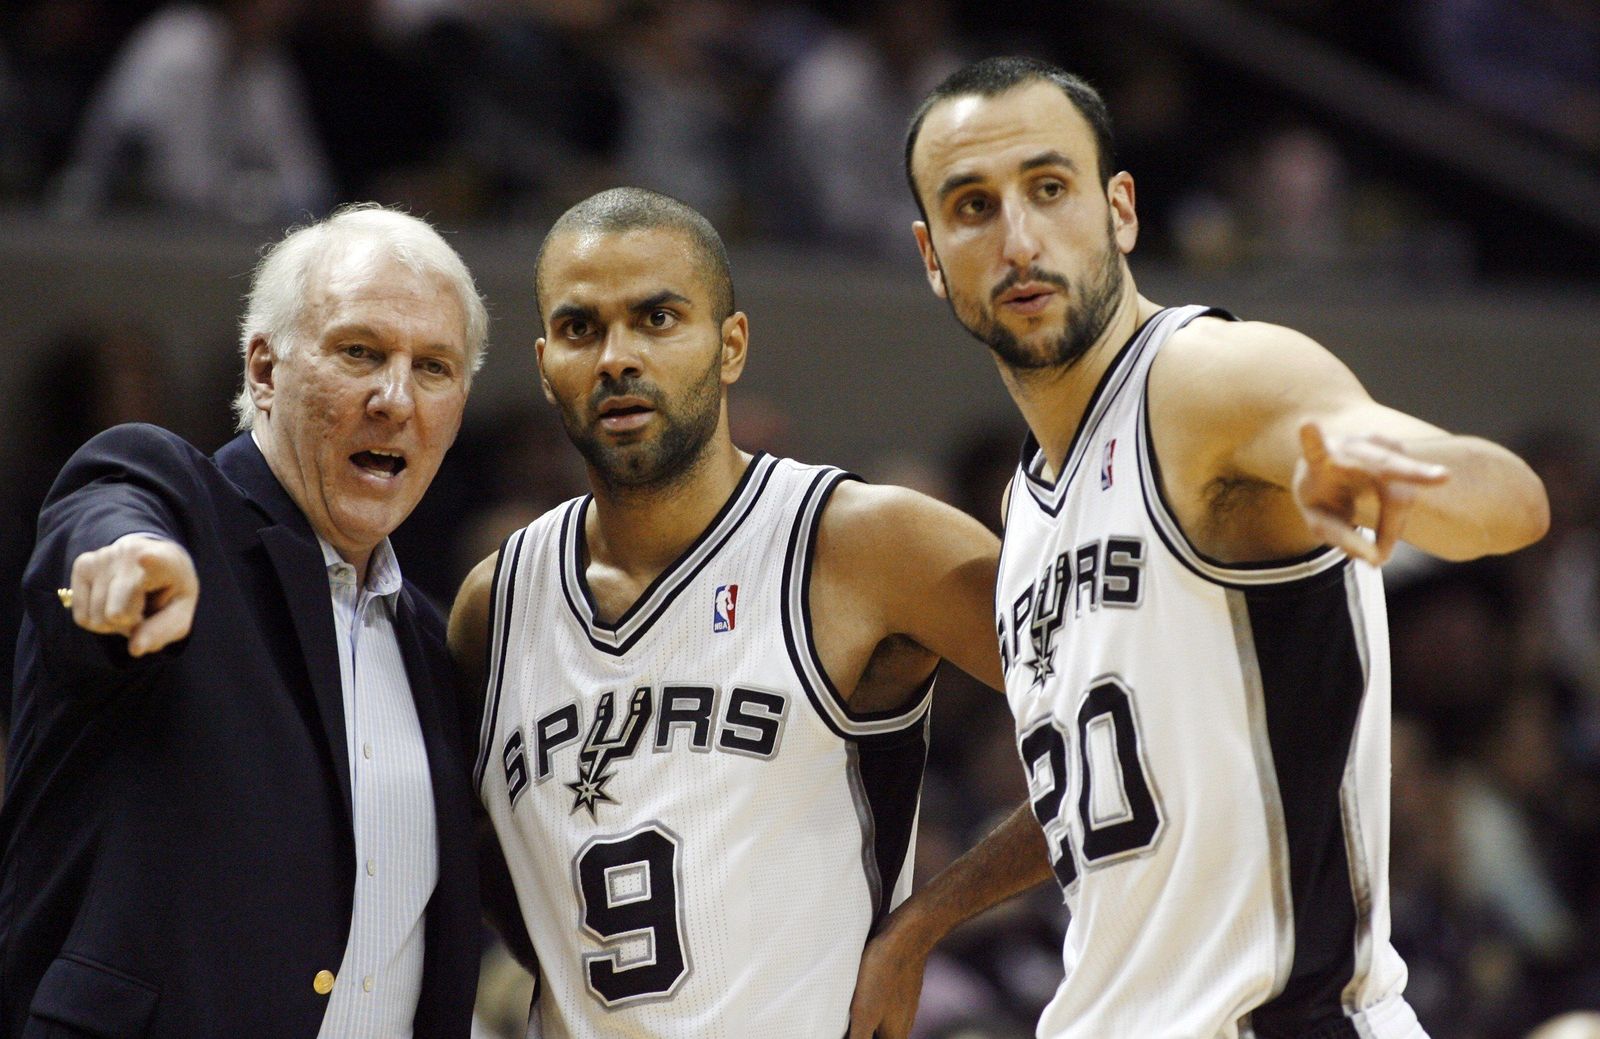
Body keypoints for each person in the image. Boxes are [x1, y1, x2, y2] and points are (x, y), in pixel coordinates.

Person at [900, 56, 1550, 1039]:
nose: (1018, 239)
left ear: (1119, 210)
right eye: (972, 206)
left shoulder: (1204, 383)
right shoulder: (1029, 506)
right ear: (931, 255)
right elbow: (1107, 792)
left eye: (1048, 189)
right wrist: (923, 920)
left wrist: (1393, 479)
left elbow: (1509, 501)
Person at [449, 187, 1049, 1039]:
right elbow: (475, 848)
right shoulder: (493, 605)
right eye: (584, 329)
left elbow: (1132, 707)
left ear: (730, 345)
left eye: (658, 318)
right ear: (547, 365)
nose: (618, 356)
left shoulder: (863, 542)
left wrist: (923, 926)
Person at [1, 204, 489, 1038]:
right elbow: (105, 527)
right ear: (264, 369)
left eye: (433, 367)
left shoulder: (431, 650)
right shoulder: (171, 504)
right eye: (359, 352)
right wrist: (127, 569)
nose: (395, 397)